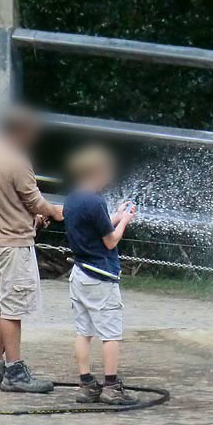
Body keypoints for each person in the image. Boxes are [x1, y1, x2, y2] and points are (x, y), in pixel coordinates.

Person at [0, 106, 63, 393]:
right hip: (13, 247)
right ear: (19, 130)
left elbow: (8, 200)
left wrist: (32, 218)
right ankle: (14, 371)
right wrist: (55, 212)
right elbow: (35, 201)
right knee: (13, 311)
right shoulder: (17, 160)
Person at [63, 146, 139, 406]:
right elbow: (110, 241)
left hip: (79, 274)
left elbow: (94, 225)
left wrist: (115, 216)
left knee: (83, 332)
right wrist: (125, 221)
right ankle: (111, 387)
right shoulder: (96, 202)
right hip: (100, 277)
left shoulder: (72, 199)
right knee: (110, 334)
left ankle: (86, 385)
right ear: (96, 172)